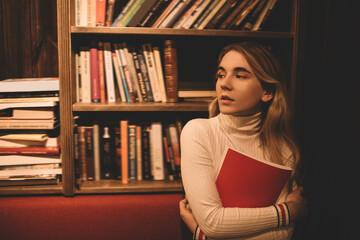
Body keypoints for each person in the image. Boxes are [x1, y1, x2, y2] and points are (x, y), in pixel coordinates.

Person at [179, 42, 308, 240]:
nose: (224, 83)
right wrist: (288, 211)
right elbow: (213, 223)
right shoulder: (199, 132)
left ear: (267, 92)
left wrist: (202, 235)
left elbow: (281, 236)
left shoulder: (283, 147)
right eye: (221, 75)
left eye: (240, 76)